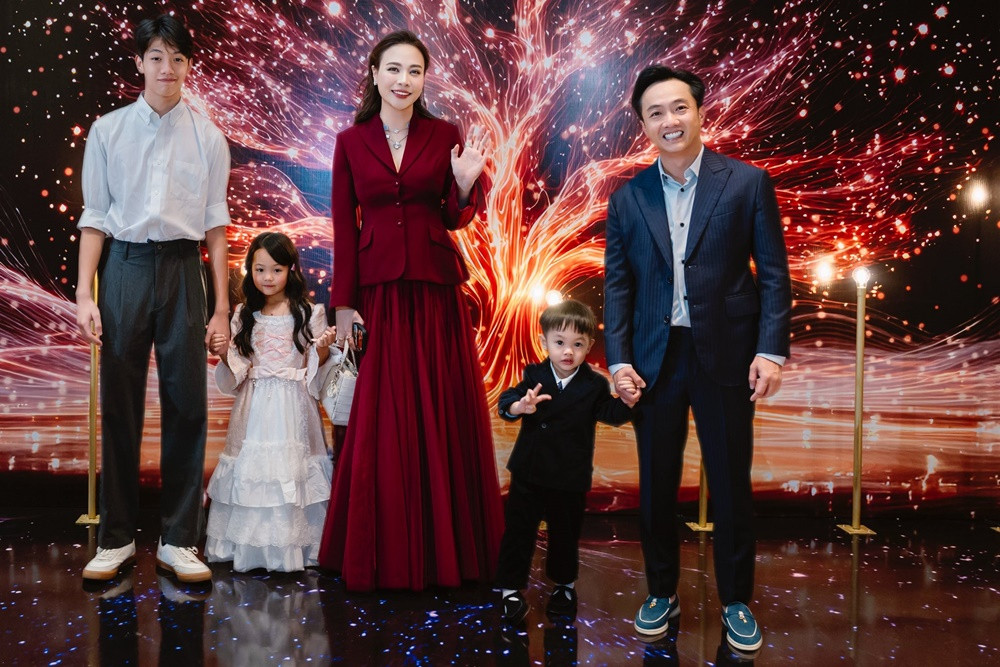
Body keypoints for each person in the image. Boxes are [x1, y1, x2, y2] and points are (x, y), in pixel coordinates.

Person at [603, 66, 791, 652]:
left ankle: (736, 600)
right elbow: (618, 287)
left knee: (731, 482)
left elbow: (773, 273)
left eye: (678, 107)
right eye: (655, 113)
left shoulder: (746, 183)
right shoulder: (628, 197)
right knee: (656, 485)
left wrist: (770, 351)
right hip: (654, 361)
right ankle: (662, 591)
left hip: (727, 353)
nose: (669, 120)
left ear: (700, 112)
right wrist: (618, 361)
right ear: (643, 125)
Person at [317, 30, 504, 591]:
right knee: (382, 416)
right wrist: (343, 306)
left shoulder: (445, 134)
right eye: (394, 69)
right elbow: (344, 228)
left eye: (415, 71)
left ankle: (449, 552)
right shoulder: (350, 142)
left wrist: (465, 187)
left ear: (424, 79)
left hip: (435, 289)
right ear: (375, 74)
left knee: (441, 409)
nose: (404, 80)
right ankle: (383, 553)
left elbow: (453, 217)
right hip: (377, 292)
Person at [75, 14, 231, 584]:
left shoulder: (208, 137)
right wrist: (84, 294)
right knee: (120, 403)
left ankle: (179, 539)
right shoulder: (108, 130)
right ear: (140, 62)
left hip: (184, 267)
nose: (168, 68)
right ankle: (115, 539)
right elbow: (95, 218)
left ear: (189, 65)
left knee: (187, 404)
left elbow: (215, 227)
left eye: (178, 59)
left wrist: (221, 306)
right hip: (124, 267)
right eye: (158, 57)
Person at [494, 300, 634, 624]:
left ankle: (564, 586)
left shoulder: (594, 385)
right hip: (529, 471)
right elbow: (507, 400)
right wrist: (519, 407)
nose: (568, 351)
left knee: (565, 534)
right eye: (559, 342)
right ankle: (510, 589)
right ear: (544, 342)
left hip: (570, 475)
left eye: (578, 344)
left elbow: (609, 413)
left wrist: (627, 402)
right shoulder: (534, 375)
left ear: (589, 346)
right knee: (519, 531)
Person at [205, 232, 336, 572]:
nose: (267, 278)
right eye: (259, 269)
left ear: (291, 269)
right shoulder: (244, 314)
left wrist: (322, 350)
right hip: (254, 408)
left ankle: (295, 549)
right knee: (254, 475)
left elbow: (317, 371)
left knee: (293, 473)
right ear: (250, 270)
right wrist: (224, 352)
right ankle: (251, 550)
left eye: (276, 270)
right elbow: (238, 372)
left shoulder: (309, 313)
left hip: (295, 408)